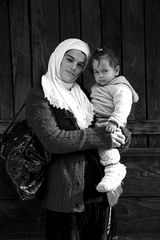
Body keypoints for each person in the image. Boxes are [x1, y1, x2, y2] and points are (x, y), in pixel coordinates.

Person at [26, 39, 131, 240]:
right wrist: (104, 137)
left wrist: (121, 135)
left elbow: (105, 122)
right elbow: (54, 140)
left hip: (101, 194)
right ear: (58, 57)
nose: (74, 67)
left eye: (80, 64)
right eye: (69, 59)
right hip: (66, 200)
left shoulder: (84, 93)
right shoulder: (40, 95)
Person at [90, 47, 139, 201]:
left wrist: (114, 121)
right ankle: (110, 174)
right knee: (99, 144)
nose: (100, 76)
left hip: (111, 122)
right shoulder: (97, 87)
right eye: (96, 72)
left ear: (116, 70)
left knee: (106, 144)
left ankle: (114, 168)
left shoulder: (120, 88)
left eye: (105, 71)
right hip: (98, 121)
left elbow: (123, 106)